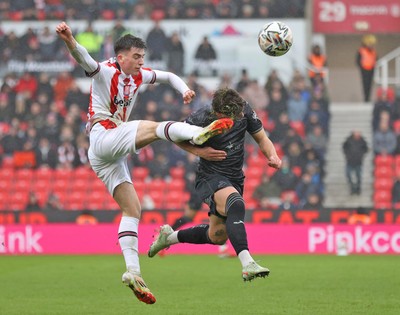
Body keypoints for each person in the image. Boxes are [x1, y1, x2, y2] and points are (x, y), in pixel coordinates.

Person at [55, 21, 234, 305]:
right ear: (121, 56)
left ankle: (133, 273)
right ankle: (199, 134)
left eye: (142, 57)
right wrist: (69, 39)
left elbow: (169, 76)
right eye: (136, 57)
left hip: (105, 155)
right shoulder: (105, 70)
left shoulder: (139, 75)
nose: (141, 62)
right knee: (155, 127)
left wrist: (184, 89)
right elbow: (83, 58)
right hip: (104, 134)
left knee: (132, 209)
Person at [148, 87, 282, 282]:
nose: (236, 118)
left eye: (238, 114)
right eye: (231, 116)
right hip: (209, 176)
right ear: (218, 113)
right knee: (236, 204)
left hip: (235, 177)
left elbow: (262, 138)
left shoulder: (244, 109)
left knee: (218, 236)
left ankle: (168, 238)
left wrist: (273, 156)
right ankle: (248, 263)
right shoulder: (203, 116)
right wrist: (199, 152)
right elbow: (175, 135)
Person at [342, 131, 369, 195]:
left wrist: (361, 155)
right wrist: (347, 155)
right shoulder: (348, 140)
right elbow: (344, 147)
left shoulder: (362, 141)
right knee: (348, 175)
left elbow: (366, 149)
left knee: (358, 176)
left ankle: (358, 188)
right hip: (349, 161)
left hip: (358, 162)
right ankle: (352, 188)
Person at [356, 34, 377, 102]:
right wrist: (361, 68)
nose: (370, 45)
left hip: (371, 69)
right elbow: (358, 60)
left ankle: (368, 98)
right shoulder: (361, 50)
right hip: (364, 70)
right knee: (365, 84)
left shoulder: (373, 51)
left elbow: (376, 59)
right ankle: (366, 99)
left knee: (370, 84)